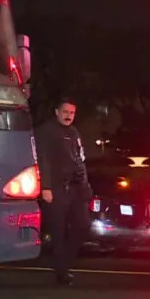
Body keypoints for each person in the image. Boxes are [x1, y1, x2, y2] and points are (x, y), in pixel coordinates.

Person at [34, 97, 92, 286]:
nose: (69, 116)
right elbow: (42, 160)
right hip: (56, 189)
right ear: (57, 112)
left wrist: (85, 186)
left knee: (82, 226)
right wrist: (46, 187)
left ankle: (63, 263)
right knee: (58, 231)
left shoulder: (74, 132)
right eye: (65, 112)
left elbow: (80, 159)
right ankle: (62, 271)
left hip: (76, 188)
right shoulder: (46, 131)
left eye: (72, 113)